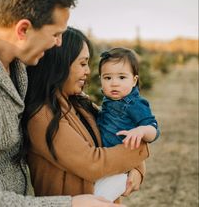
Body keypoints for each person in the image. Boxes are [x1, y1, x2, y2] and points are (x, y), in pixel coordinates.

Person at [0, 0, 122, 207]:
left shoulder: (19, 62)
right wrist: (70, 204)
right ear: (23, 29)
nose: (59, 43)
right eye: (56, 34)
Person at [21, 27, 149, 203]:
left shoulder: (80, 103)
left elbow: (113, 135)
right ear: (60, 64)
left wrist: (138, 169)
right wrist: (141, 148)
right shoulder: (42, 116)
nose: (88, 71)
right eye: (82, 63)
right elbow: (93, 163)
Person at [95, 47, 160, 202]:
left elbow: (154, 129)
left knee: (99, 199)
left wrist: (141, 130)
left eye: (122, 77)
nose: (114, 84)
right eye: (107, 78)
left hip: (120, 168)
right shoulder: (109, 100)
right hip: (106, 162)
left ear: (134, 80)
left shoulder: (134, 104)